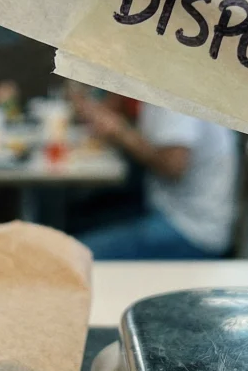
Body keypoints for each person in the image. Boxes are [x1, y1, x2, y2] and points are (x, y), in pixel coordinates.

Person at [72, 95, 238, 259]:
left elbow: (173, 166)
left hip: (191, 232)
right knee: (77, 220)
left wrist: (121, 132)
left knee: (72, 257)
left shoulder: (175, 95)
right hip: (167, 211)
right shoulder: (157, 92)